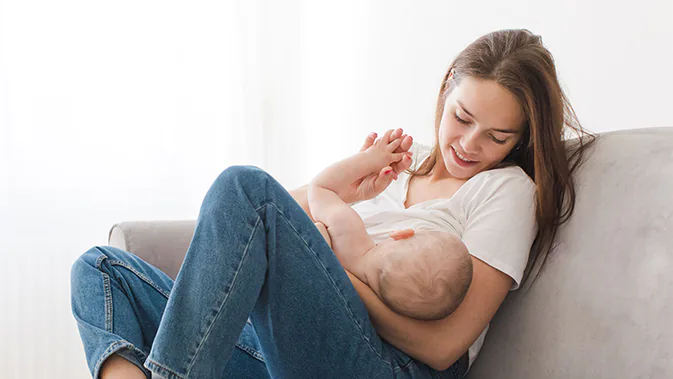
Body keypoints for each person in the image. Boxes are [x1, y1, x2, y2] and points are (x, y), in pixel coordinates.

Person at [70, 29, 595, 379]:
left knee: (242, 183)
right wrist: (344, 189)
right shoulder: (397, 159)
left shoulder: (505, 190)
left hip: (385, 364)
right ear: (445, 89)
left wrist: (338, 268)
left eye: (497, 136)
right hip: (293, 346)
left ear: (520, 140)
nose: (469, 144)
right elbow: (258, 223)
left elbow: (442, 349)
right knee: (100, 269)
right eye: (461, 117)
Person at [308, 129, 473, 321]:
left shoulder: (349, 232)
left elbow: (320, 187)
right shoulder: (367, 307)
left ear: (402, 234)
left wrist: (367, 160)